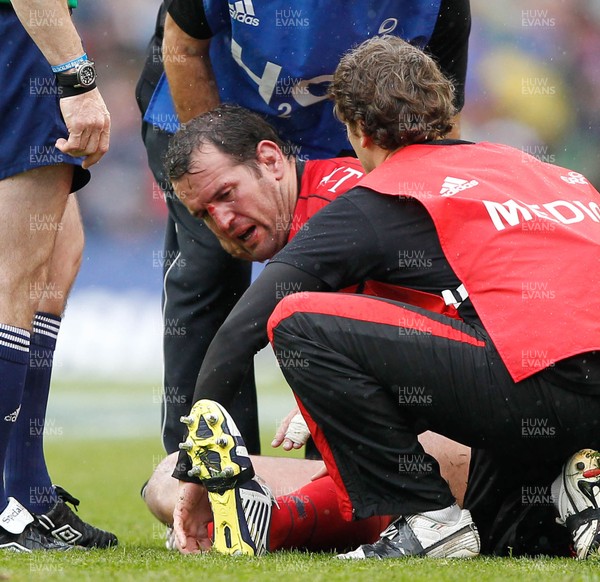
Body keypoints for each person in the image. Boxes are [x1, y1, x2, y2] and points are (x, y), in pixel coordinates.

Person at [170, 36, 600, 560]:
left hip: (538, 379)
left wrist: (193, 472)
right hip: (558, 388)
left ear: (356, 130)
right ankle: (578, 488)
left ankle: (427, 516)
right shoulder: (544, 171)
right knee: (507, 541)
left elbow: (240, 333)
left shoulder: (383, 193)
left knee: (296, 320)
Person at [136, 0, 471, 455]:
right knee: (208, 272)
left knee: (369, 266)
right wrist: (218, 174)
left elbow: (437, 123)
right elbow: (183, 44)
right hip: (209, 100)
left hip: (344, 131)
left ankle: (348, 459)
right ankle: (204, 469)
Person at [0, 0, 115, 551]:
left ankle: (25, 491)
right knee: (13, 278)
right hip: (23, 36)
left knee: (58, 254)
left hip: (23, 36)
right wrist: (77, 77)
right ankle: (4, 512)